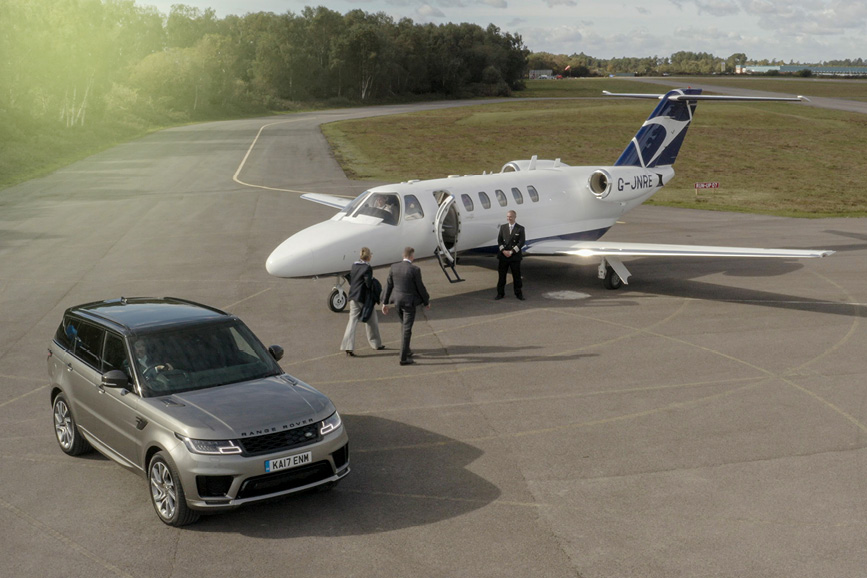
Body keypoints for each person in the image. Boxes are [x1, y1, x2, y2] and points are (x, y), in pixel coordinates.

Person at [382, 246, 430, 366]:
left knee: (404, 326)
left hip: (397, 302)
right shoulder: (415, 270)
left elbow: (388, 286)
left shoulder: (394, 267)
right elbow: (420, 287)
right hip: (409, 303)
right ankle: (403, 358)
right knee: (407, 329)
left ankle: (407, 350)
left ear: (403, 255)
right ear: (412, 256)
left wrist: (385, 302)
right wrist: (426, 301)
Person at [340, 247, 385, 357]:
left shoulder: (354, 265)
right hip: (364, 298)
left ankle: (348, 346)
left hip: (353, 297)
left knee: (352, 322)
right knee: (372, 320)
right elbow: (368, 284)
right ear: (369, 256)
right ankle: (375, 344)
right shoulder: (367, 268)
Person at [495, 209, 526, 300]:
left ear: (515, 217)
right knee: (501, 277)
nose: (509, 218)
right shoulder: (503, 227)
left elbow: (521, 242)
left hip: (514, 257)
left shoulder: (520, 228)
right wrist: (503, 251)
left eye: (511, 217)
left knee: (516, 277)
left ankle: (518, 294)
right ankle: (500, 293)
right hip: (503, 256)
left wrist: (512, 251)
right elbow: (499, 240)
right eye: (508, 217)